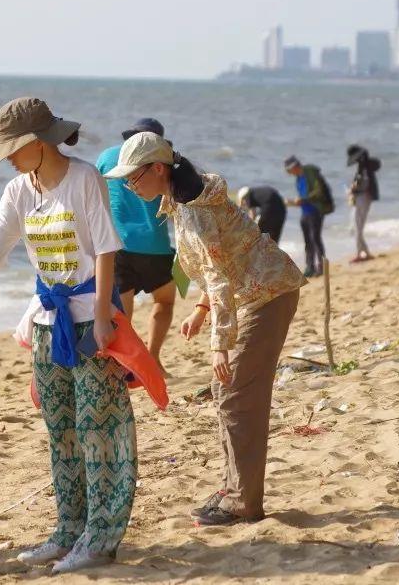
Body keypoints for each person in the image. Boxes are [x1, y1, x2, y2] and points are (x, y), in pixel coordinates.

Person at [0, 97, 138, 573]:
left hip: (89, 316)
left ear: (39, 141)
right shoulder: (18, 191)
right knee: (62, 431)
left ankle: (100, 538)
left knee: (102, 430)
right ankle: (68, 530)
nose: (8, 157)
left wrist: (100, 317)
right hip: (47, 321)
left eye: (13, 147)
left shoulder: (83, 179)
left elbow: (106, 250)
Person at [103, 132, 304, 526]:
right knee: (228, 391)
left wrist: (219, 345)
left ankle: (243, 500)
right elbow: (222, 262)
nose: (129, 186)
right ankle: (234, 490)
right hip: (255, 292)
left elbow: (219, 276)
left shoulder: (193, 209)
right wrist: (200, 309)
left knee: (235, 392)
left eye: (133, 178)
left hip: (268, 294)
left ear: (159, 169)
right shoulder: (180, 202)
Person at [95, 117, 175, 373]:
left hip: (118, 246)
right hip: (157, 245)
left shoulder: (108, 156)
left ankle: (124, 364)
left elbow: (95, 195)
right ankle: (153, 358)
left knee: (121, 314)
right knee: (164, 302)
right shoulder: (164, 163)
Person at [284, 155, 333, 277]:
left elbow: (318, 192)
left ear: (294, 167)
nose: (290, 173)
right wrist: (294, 203)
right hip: (305, 212)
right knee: (307, 241)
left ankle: (321, 267)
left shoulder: (309, 174)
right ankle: (310, 267)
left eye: (289, 170)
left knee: (315, 238)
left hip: (316, 211)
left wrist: (302, 200)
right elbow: (303, 198)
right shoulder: (298, 179)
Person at [345, 145, 380, 262]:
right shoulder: (364, 166)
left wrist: (353, 189)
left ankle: (360, 253)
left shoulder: (364, 167)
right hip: (364, 198)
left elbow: (363, 185)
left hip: (363, 198)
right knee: (357, 226)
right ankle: (365, 252)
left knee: (357, 226)